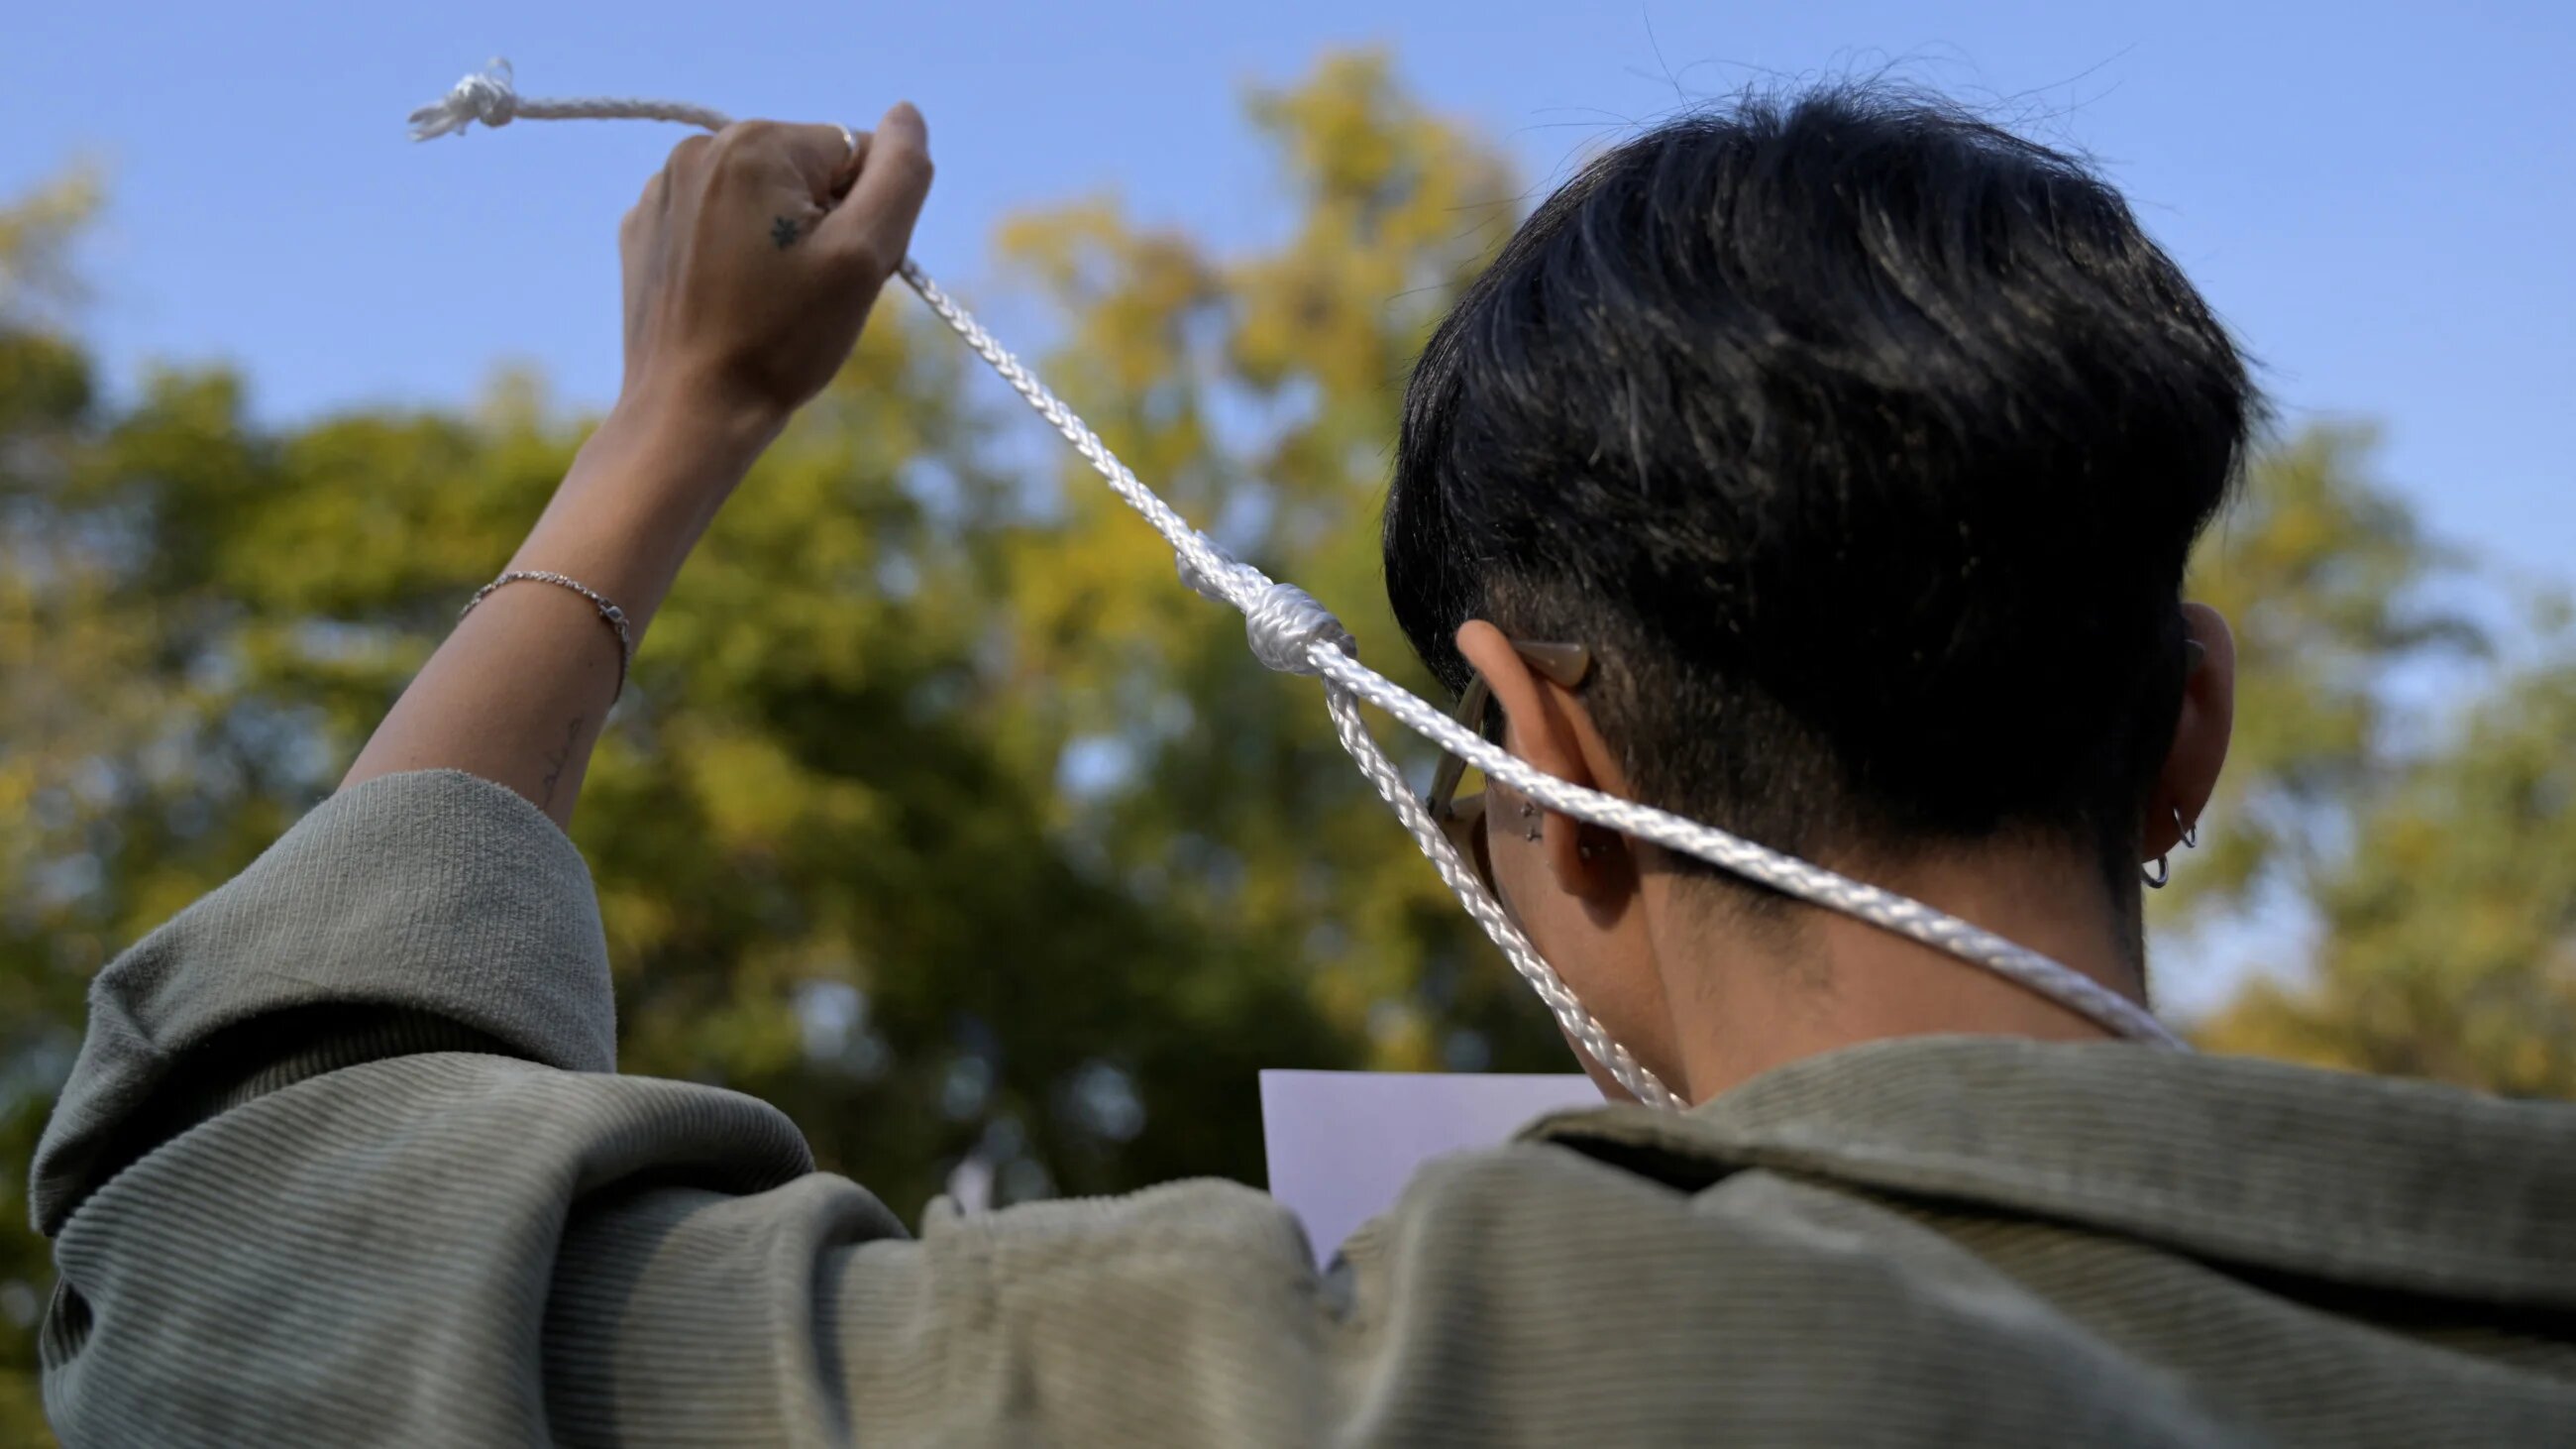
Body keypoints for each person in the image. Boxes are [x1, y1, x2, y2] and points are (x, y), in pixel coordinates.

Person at [29, 86, 2576, 1447]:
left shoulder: (1378, 1385)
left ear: (1545, 757)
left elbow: (232, 1239)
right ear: (2188, 735)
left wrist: (669, 434)